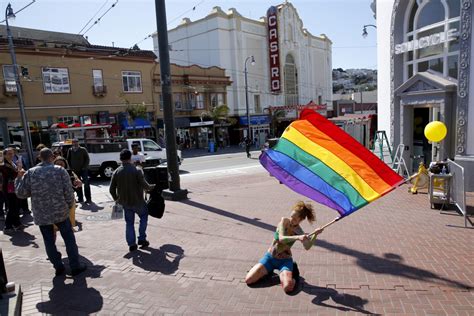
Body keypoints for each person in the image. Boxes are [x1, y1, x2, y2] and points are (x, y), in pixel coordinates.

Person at [15, 148, 87, 276]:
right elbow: (69, 193)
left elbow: (21, 194)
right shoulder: (60, 170)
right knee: (69, 239)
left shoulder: (31, 173)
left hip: (42, 215)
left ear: (39, 157)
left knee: (49, 241)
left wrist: (18, 179)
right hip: (61, 212)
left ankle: (58, 266)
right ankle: (75, 266)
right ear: (52, 157)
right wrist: (69, 206)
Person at [245, 201, 324, 293]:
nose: (291, 219)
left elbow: (307, 246)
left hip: (284, 261)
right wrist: (298, 237)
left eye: (295, 219)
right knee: (249, 280)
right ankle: (269, 272)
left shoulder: (299, 231)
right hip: (270, 258)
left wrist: (315, 234)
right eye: (291, 216)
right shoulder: (284, 221)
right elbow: (281, 238)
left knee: (288, 288)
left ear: (300, 220)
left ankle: (294, 274)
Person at [109, 149, 155, 252]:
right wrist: (153, 187)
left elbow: (111, 190)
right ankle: (142, 239)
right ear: (130, 158)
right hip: (138, 201)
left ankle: (132, 244)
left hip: (125, 203)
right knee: (144, 216)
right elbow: (145, 186)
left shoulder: (116, 172)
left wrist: (117, 199)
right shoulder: (137, 170)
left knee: (129, 223)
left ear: (120, 159)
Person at [54, 156, 82, 230]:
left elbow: (78, 182)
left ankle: (70, 227)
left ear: (65, 164)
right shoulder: (51, 173)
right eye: (58, 164)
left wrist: (78, 182)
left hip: (69, 197)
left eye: (61, 164)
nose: (60, 166)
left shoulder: (70, 172)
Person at [1, 147, 23, 234]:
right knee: (12, 207)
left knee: (16, 205)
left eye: (12, 153)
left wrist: (19, 169)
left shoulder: (12, 162)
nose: (11, 155)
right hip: (8, 188)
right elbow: (10, 174)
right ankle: (7, 226)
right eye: (9, 154)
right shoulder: (3, 164)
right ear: (4, 155)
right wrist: (18, 171)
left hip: (14, 187)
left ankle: (17, 223)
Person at [67, 139, 92, 204]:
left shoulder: (83, 149)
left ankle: (88, 199)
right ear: (72, 143)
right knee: (78, 184)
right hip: (75, 170)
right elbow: (68, 159)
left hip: (83, 170)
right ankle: (80, 198)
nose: (75, 143)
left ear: (78, 143)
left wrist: (84, 167)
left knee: (86, 184)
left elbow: (87, 159)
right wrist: (71, 168)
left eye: (76, 142)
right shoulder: (70, 150)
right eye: (73, 142)